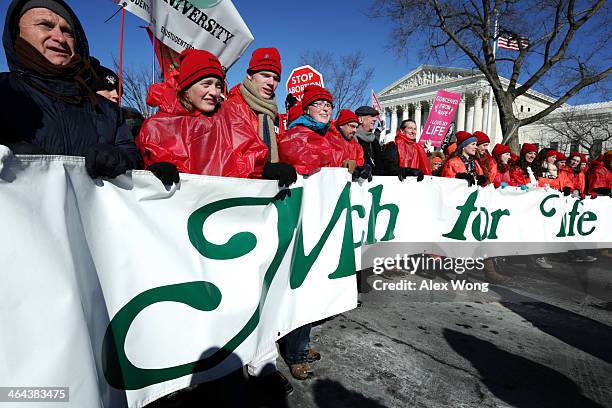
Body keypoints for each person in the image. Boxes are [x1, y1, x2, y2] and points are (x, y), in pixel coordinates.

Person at [0, 0, 141, 178]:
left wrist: (120, 159)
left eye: (67, 31)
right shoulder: (3, 91)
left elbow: (133, 158)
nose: (59, 38)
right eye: (45, 25)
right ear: (17, 34)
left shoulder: (108, 111)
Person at [218, 47, 297, 187]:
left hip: (269, 195)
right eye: (265, 75)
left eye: (276, 78)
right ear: (250, 75)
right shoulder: (231, 108)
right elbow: (226, 159)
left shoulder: (274, 116)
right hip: (238, 194)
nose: (271, 83)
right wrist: (263, 170)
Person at [277, 85, 350, 176]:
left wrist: (349, 165)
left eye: (328, 105)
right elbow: (303, 166)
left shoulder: (332, 136)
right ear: (306, 109)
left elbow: (337, 163)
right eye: (319, 104)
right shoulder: (295, 136)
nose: (325, 109)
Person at [329, 109, 372, 181]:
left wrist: (363, 169)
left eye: (356, 127)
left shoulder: (357, 147)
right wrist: (343, 166)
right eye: (352, 126)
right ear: (341, 125)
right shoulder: (327, 138)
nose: (355, 130)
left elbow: (359, 162)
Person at [354, 105, 384, 175]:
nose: (375, 119)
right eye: (371, 116)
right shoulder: (353, 139)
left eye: (375, 117)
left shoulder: (374, 141)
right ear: (360, 120)